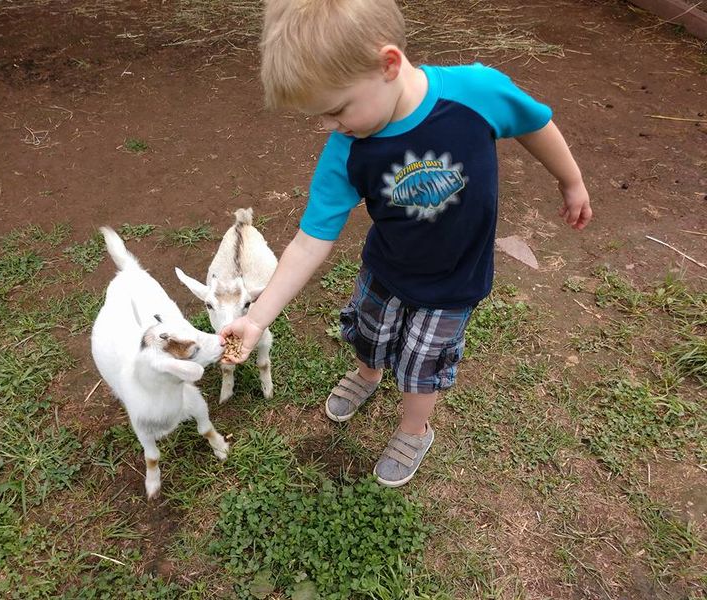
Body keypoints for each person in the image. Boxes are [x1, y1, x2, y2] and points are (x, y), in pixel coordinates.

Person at [220, 0, 592, 487]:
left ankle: (415, 429)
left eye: (335, 110)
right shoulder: (347, 150)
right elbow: (310, 241)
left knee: (422, 366)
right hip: (386, 272)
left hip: (453, 284)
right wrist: (256, 317)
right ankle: (368, 376)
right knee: (369, 338)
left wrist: (571, 181)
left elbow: (535, 123)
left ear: (388, 64)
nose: (329, 126)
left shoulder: (475, 92)